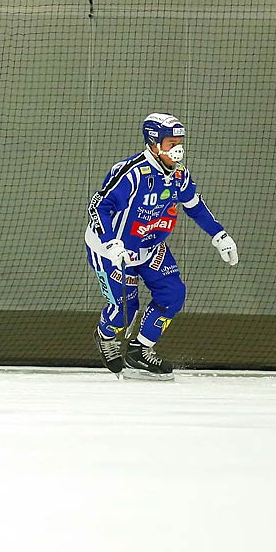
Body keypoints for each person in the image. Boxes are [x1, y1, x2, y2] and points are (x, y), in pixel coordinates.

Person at [84, 112, 239, 379]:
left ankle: (139, 350)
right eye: (170, 143)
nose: (177, 149)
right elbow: (99, 206)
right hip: (112, 250)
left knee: (173, 294)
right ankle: (105, 334)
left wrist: (220, 236)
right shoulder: (132, 173)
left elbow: (195, 206)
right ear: (154, 144)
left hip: (151, 247)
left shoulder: (180, 175)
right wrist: (111, 244)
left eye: (179, 142)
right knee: (124, 310)